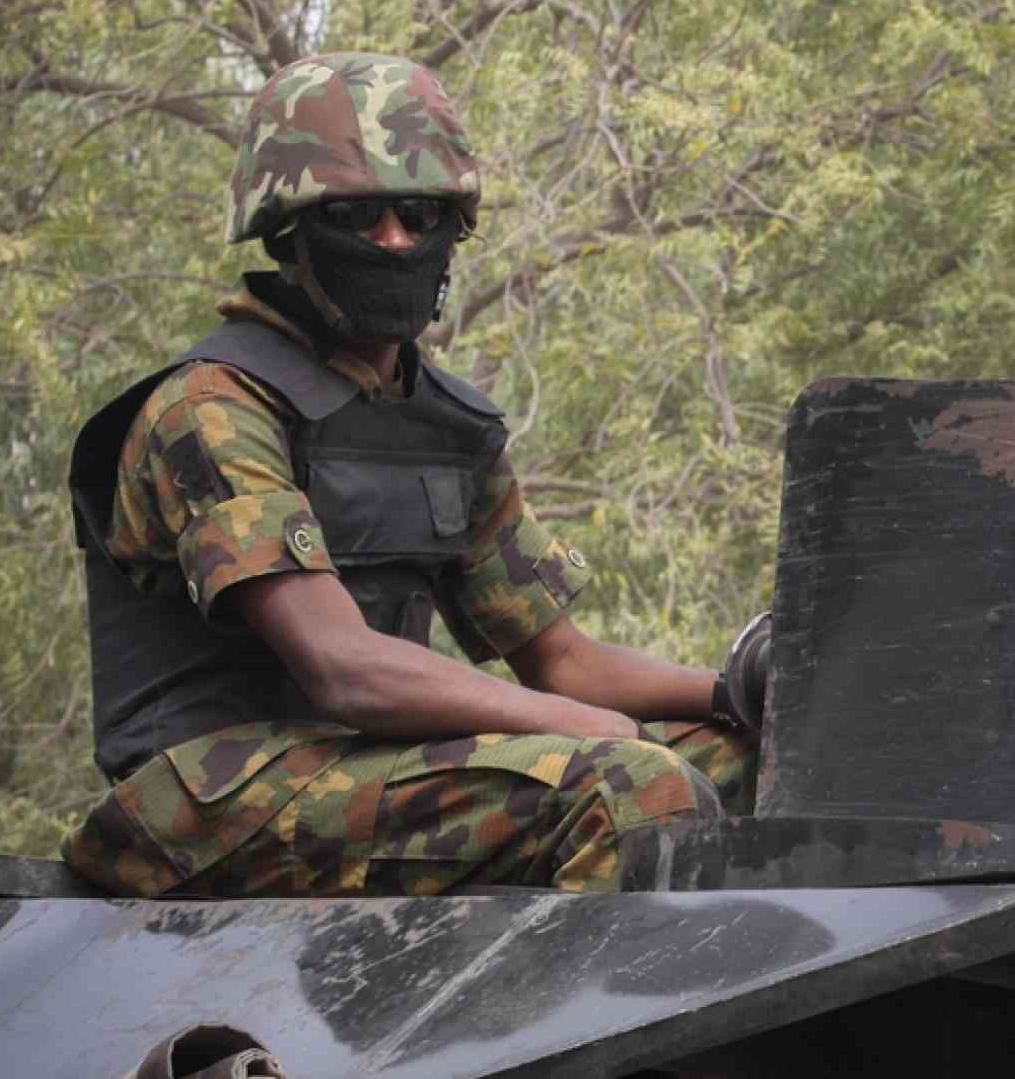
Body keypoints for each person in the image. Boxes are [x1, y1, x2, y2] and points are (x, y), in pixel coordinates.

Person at [62, 52, 762, 897]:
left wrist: (744, 685)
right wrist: (590, 731)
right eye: (355, 215)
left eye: (420, 213)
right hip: (208, 804)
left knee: (749, 758)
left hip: (364, 773)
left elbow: (563, 661)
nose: (395, 240)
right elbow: (343, 667)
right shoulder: (213, 405)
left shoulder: (446, 425)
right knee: (630, 787)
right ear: (286, 233)